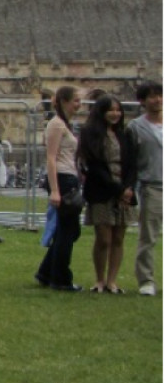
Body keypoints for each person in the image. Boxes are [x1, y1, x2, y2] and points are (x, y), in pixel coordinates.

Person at [78, 95, 136, 294]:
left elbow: (132, 164)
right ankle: (99, 280)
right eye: (111, 110)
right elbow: (93, 165)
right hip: (102, 190)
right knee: (104, 238)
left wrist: (128, 188)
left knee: (119, 238)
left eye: (118, 110)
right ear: (101, 112)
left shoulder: (125, 134)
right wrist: (118, 189)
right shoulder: (90, 134)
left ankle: (112, 281)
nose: (115, 113)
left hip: (124, 191)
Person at [35, 87, 84, 291]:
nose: (79, 104)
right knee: (67, 231)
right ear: (63, 101)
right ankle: (60, 278)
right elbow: (51, 158)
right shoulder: (56, 125)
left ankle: (46, 272)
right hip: (62, 180)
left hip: (69, 178)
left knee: (68, 230)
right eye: (75, 100)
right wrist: (55, 190)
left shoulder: (65, 124)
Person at [127, 82, 163, 296]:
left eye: (159, 95)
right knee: (149, 236)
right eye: (151, 96)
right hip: (153, 185)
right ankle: (146, 280)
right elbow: (131, 161)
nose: (157, 100)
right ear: (142, 101)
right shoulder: (135, 127)